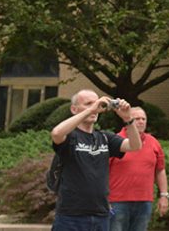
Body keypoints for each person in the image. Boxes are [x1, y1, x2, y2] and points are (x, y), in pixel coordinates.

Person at [51, 89, 142, 231]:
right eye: (88, 104)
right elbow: (56, 133)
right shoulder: (70, 137)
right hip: (71, 216)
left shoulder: (105, 137)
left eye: (96, 103)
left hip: (100, 215)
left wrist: (128, 119)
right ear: (74, 109)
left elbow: (135, 146)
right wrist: (91, 110)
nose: (95, 107)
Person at [108, 106, 169, 231]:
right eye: (137, 119)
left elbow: (160, 170)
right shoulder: (116, 141)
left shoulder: (153, 142)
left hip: (144, 201)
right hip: (117, 201)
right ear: (128, 120)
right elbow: (102, 171)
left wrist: (164, 195)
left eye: (143, 119)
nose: (141, 121)